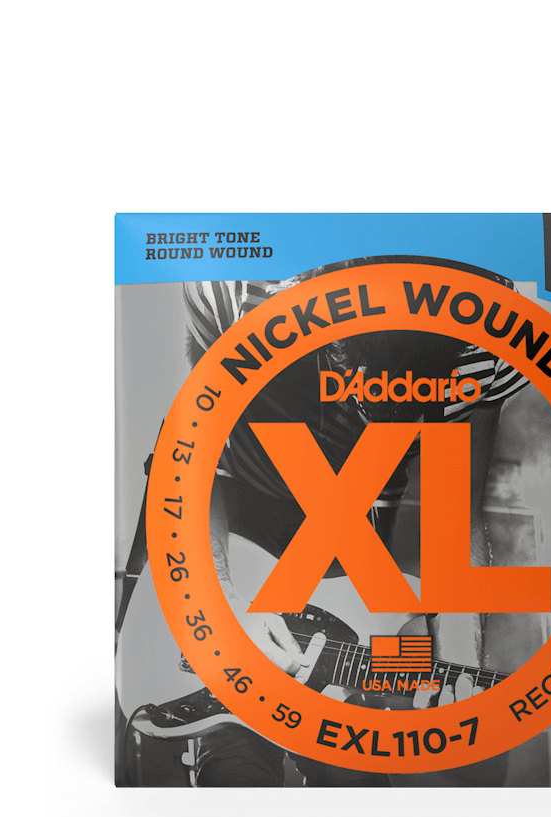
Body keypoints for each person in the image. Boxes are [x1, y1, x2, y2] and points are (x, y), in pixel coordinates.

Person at [181, 257, 532, 786]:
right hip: (237, 524)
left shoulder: (490, 330)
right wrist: (219, 605)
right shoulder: (234, 283)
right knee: (237, 776)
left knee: (366, 784)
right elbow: (188, 461)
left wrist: (460, 660)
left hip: (357, 552)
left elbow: (455, 507)